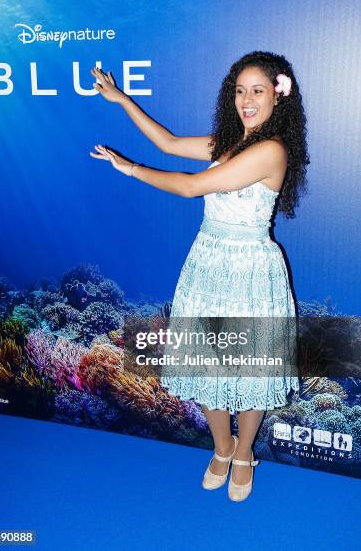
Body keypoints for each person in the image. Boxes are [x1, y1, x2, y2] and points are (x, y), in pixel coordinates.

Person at [89, 51, 309, 501]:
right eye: (240, 90)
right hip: (207, 262)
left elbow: (191, 186)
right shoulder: (229, 142)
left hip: (249, 269)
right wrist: (120, 99)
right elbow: (168, 143)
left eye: (258, 91)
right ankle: (222, 446)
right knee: (203, 360)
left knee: (251, 372)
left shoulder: (271, 150)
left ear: (277, 97)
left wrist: (129, 169)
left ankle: (245, 452)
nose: (246, 99)